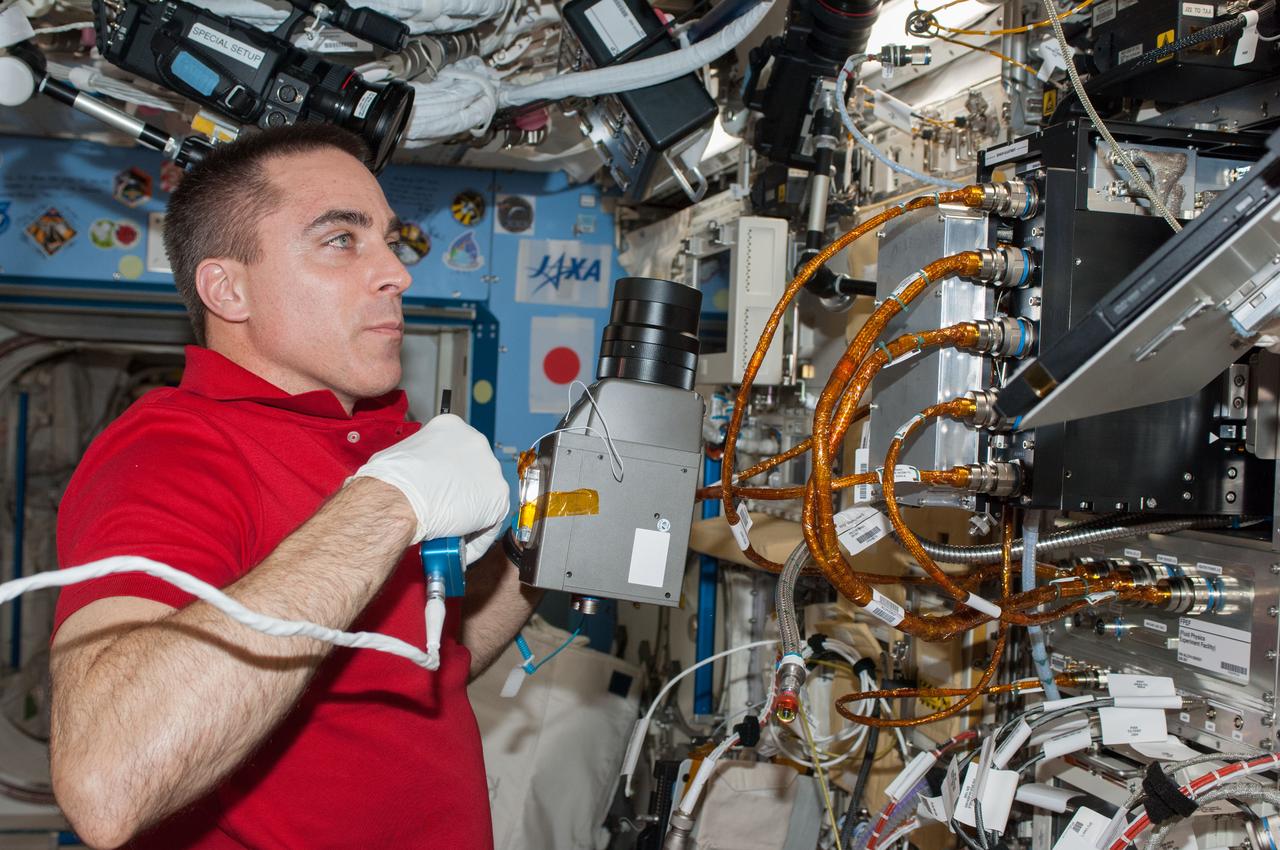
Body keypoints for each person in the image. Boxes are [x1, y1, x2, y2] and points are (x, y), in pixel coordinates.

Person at [47, 125, 534, 850]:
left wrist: (545, 547)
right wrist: (388, 503)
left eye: (390, 241)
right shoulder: (175, 449)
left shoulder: (389, 439)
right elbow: (106, 781)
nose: (396, 272)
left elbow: (420, 663)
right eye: (342, 240)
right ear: (229, 289)